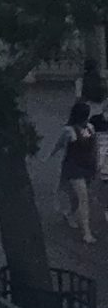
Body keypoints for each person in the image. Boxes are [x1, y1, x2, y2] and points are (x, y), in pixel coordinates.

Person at [58, 100, 101, 244]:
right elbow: (60, 145)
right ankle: (87, 233)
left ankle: (70, 214)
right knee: (83, 197)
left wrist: (96, 164)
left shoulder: (90, 128)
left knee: (77, 199)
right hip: (74, 167)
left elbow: (94, 147)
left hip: (86, 166)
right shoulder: (69, 131)